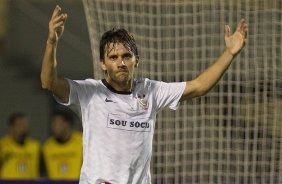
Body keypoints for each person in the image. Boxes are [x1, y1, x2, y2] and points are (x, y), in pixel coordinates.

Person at [40, 5, 247, 184]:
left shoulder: (150, 91)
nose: (121, 62)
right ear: (103, 63)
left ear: (136, 60)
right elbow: (48, 82)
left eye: (126, 56)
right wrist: (51, 43)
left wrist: (229, 53)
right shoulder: (89, 93)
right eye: (113, 57)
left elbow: (199, 86)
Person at [42, 109, 82, 180]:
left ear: (66, 124)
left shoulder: (82, 141)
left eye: (56, 123)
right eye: (52, 123)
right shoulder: (47, 146)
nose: (53, 127)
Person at [0, 113, 40, 179]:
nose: (23, 128)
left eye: (24, 124)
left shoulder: (35, 146)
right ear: (11, 127)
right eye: (19, 125)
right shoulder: (2, 145)